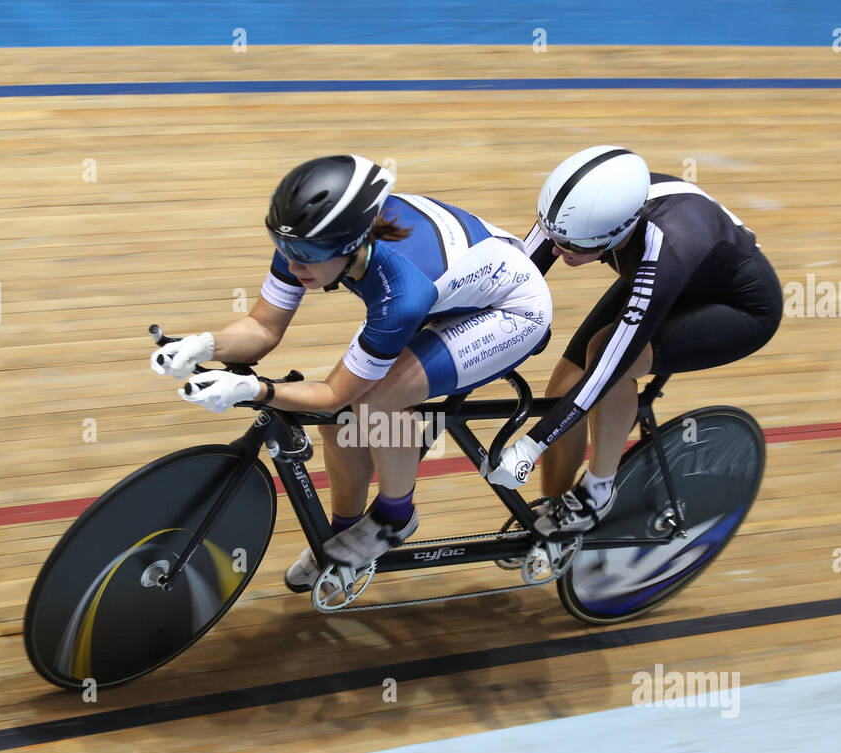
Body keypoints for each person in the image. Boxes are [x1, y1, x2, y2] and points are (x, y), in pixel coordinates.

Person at [152, 154, 553, 589]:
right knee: (339, 424)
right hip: (453, 288)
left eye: (305, 256)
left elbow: (334, 394)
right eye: (284, 247)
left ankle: (394, 517)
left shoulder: (400, 292)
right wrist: (203, 343)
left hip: (511, 310)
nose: (292, 264)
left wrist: (255, 388)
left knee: (376, 400)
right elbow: (263, 328)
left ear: (352, 244)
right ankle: (343, 534)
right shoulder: (310, 239)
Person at [483, 145, 783, 535]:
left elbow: (609, 369)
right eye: (556, 237)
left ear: (619, 230)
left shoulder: (664, 246)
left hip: (736, 307)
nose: (559, 250)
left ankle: (596, 493)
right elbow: (517, 280)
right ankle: (554, 521)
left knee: (605, 358)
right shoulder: (577, 213)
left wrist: (530, 447)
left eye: (574, 247)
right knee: (562, 391)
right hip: (663, 278)